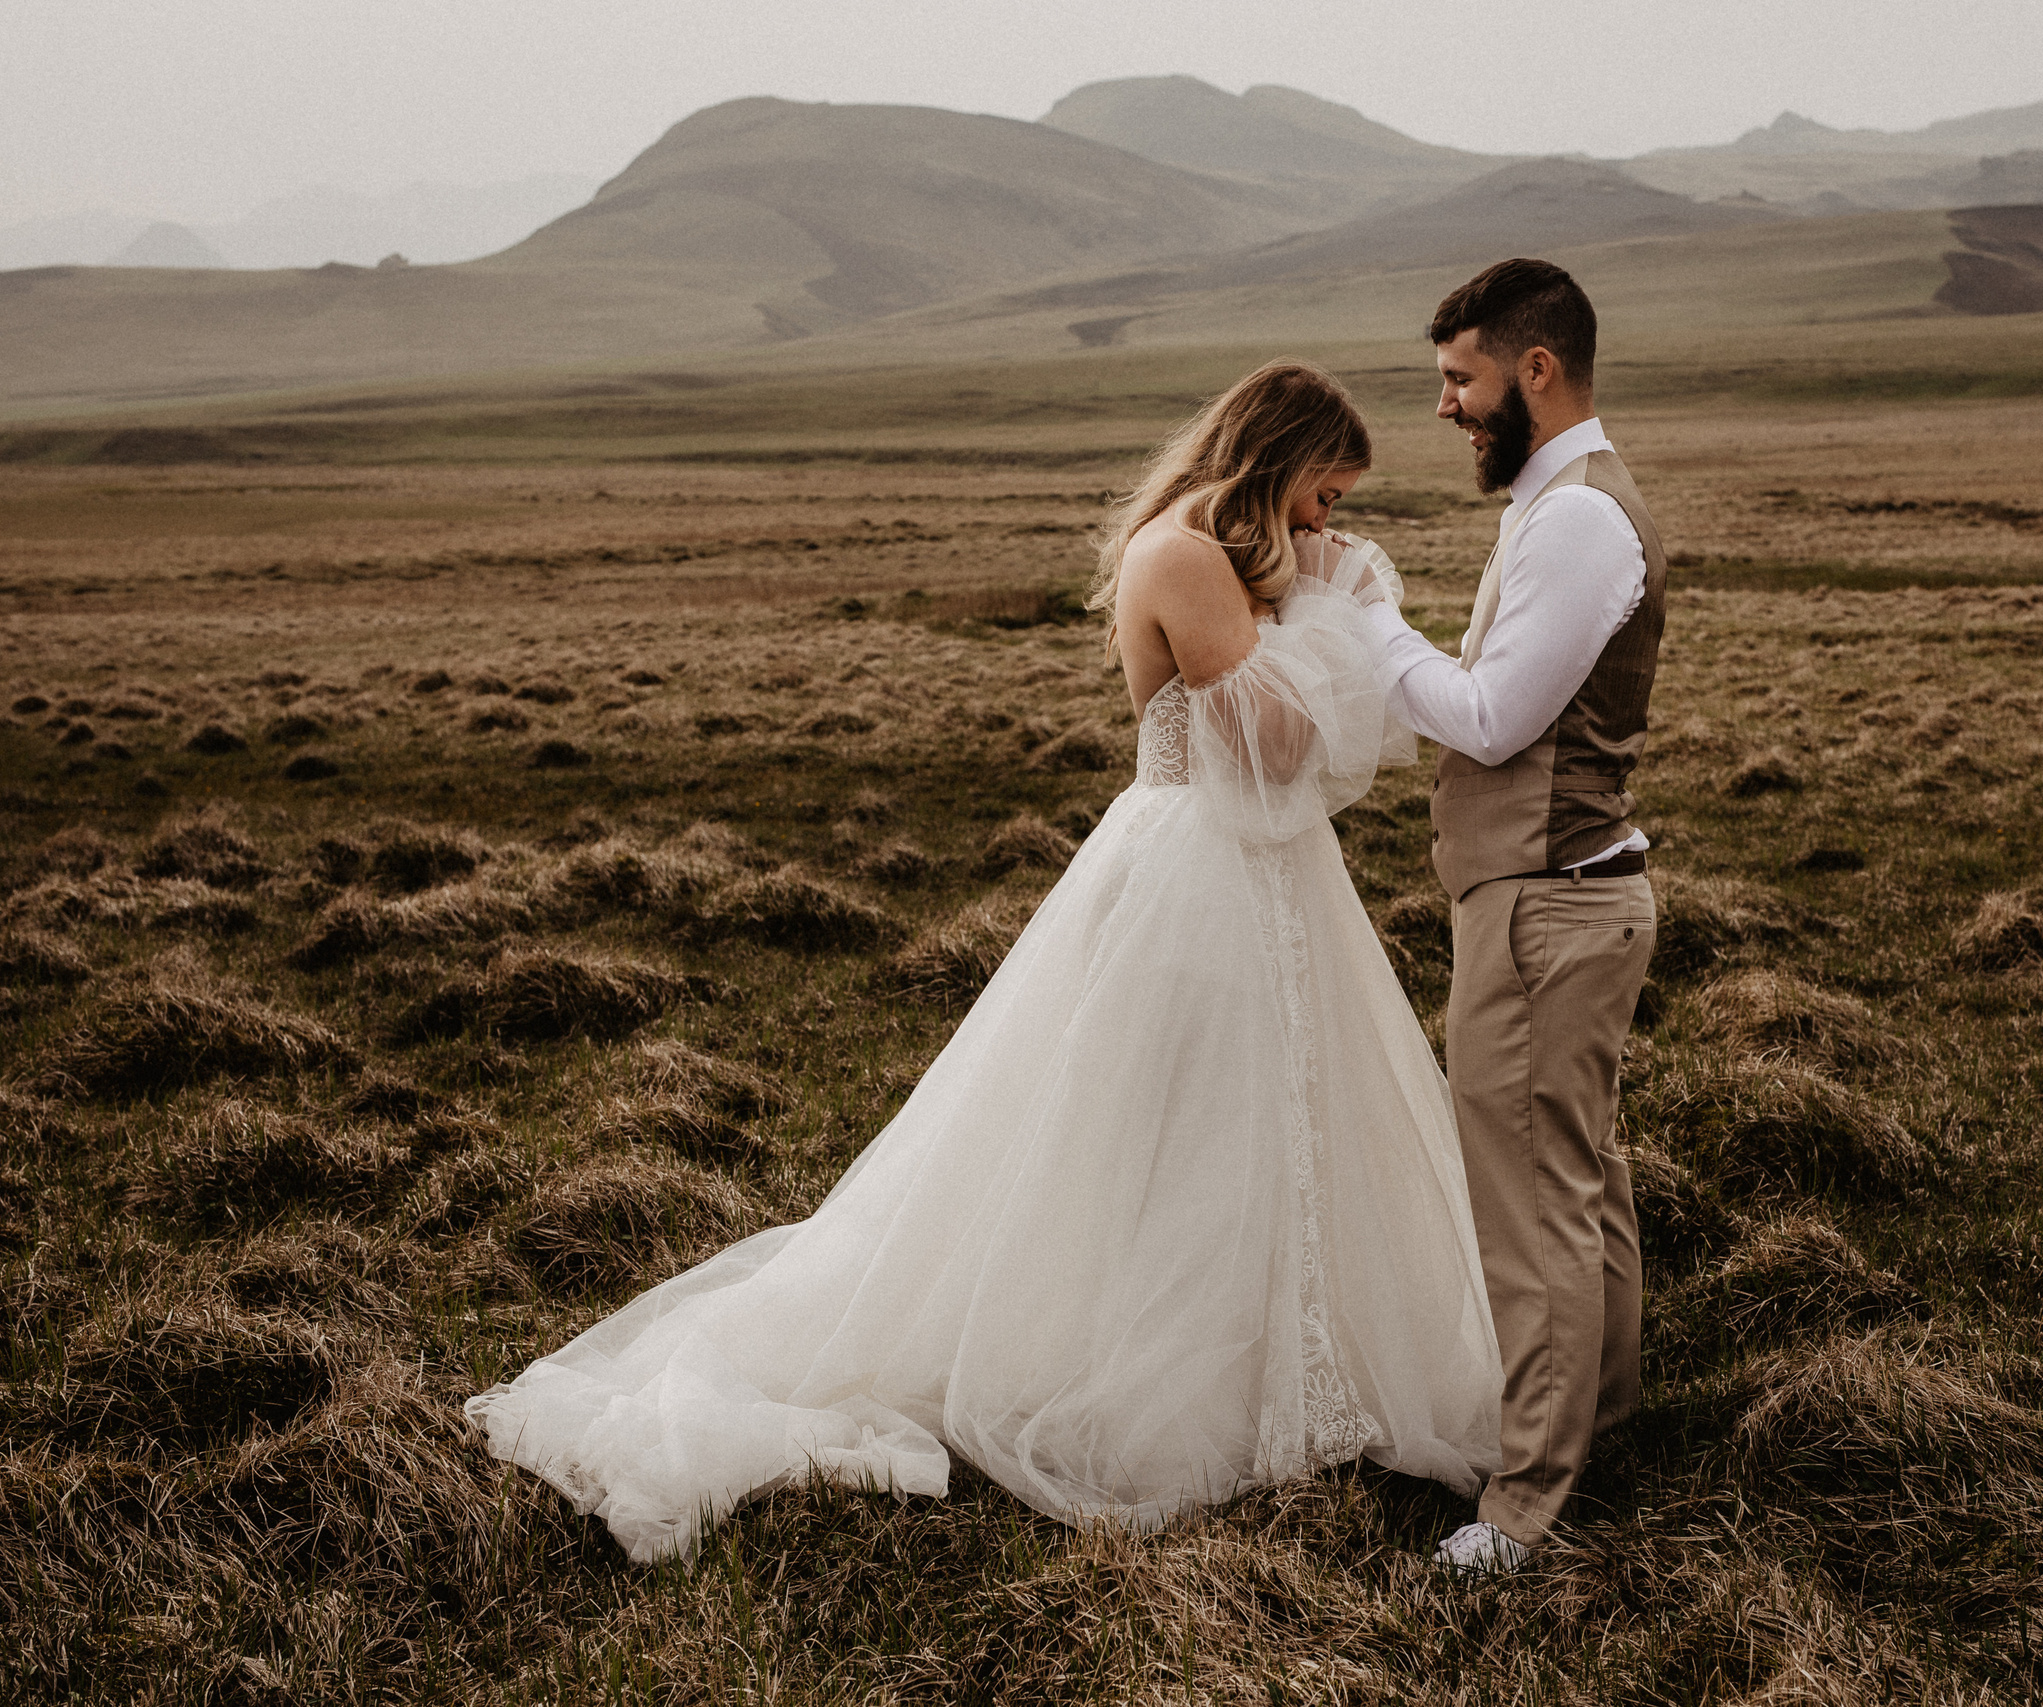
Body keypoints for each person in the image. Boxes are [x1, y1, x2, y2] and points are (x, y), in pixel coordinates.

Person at [465, 361, 1502, 1564]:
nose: (1328, 524)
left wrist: (1311, 597)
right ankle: (1164, 1374)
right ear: (1273, 466)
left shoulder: (1226, 556)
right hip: (1199, 875)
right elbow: (1264, 743)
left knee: (1271, 1117)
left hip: (1258, 880)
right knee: (1172, 1125)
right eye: (1322, 494)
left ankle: (1293, 1356)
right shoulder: (1181, 556)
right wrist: (1340, 613)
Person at [1363, 260, 1666, 1574]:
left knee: (1531, 1208)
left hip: (1549, 911)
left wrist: (1373, 623)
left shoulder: (1582, 520)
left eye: (1461, 379)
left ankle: (1528, 1505)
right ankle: (1604, 1431)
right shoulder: (1555, 502)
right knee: (1580, 1184)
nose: (1446, 406)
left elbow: (1493, 717)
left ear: (1536, 370)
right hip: (1557, 902)